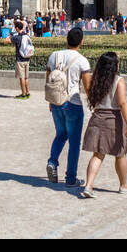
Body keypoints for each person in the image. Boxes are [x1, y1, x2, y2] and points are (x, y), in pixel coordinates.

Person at [78, 51, 127, 198]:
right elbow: (122, 103)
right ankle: (124, 185)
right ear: (114, 65)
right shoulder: (118, 80)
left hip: (97, 117)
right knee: (120, 153)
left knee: (98, 154)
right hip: (113, 119)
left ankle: (89, 185)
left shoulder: (96, 80)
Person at [46, 26, 91, 188]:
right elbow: (87, 86)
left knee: (60, 134)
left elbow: (48, 79)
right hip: (73, 102)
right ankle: (71, 178)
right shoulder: (81, 60)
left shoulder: (54, 56)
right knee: (74, 142)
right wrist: (94, 103)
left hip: (56, 101)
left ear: (66, 39)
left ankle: (52, 162)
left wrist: (51, 101)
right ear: (81, 42)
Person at [8, 17, 34, 98]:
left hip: (20, 59)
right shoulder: (27, 36)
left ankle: (23, 94)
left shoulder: (16, 37)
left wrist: (9, 35)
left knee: (21, 78)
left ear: (16, 28)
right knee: (26, 77)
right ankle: (27, 93)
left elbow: (5, 41)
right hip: (27, 58)